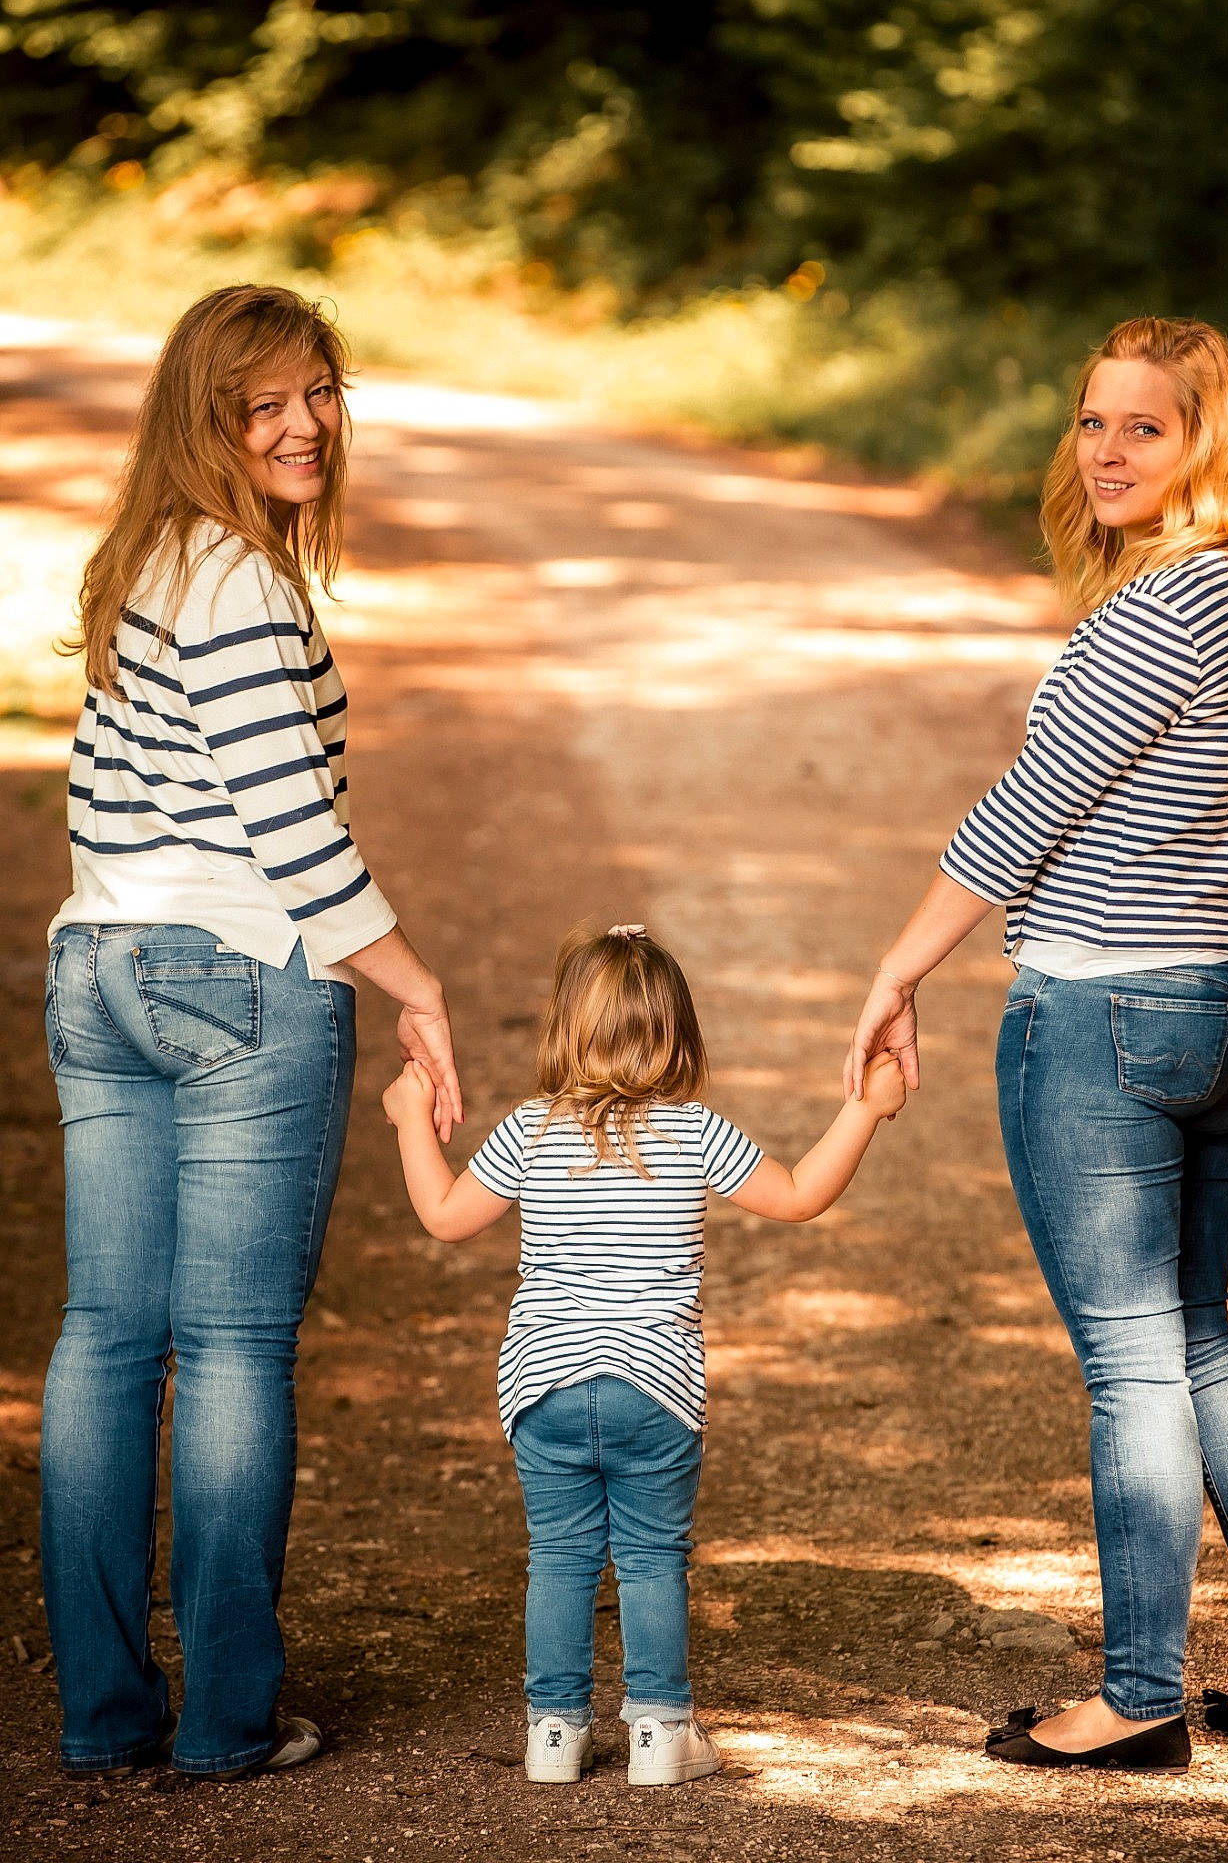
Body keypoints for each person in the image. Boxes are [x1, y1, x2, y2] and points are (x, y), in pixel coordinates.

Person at [845, 316, 1228, 1771]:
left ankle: (1136, 1698)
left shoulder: (1159, 607)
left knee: (1135, 1363)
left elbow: (1026, 811)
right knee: (1194, 1345)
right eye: (1092, 422)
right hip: (1224, 1006)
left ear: (1209, 440)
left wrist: (897, 969)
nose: (1111, 450)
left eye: (1147, 425)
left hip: (1108, 1014)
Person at [42, 285, 463, 1779]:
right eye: (258, 404)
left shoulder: (147, 560)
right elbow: (295, 834)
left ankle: (105, 1716)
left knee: (106, 1340)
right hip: (235, 982)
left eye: (319, 393)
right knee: (224, 1351)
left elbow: (107, 804)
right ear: (202, 420)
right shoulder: (238, 582)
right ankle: (223, 1720)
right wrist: (413, 986)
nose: (299, 426)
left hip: (98, 967)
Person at [383, 921, 905, 1785]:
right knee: (652, 1556)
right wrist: (866, 1107)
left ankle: (553, 1734)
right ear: (678, 1034)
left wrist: (410, 1120)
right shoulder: (694, 1132)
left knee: (558, 1555)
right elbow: (802, 1194)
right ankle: (660, 1733)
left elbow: (442, 1216)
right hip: (654, 1389)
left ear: (564, 1029)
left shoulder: (530, 1130)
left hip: (542, 1385)